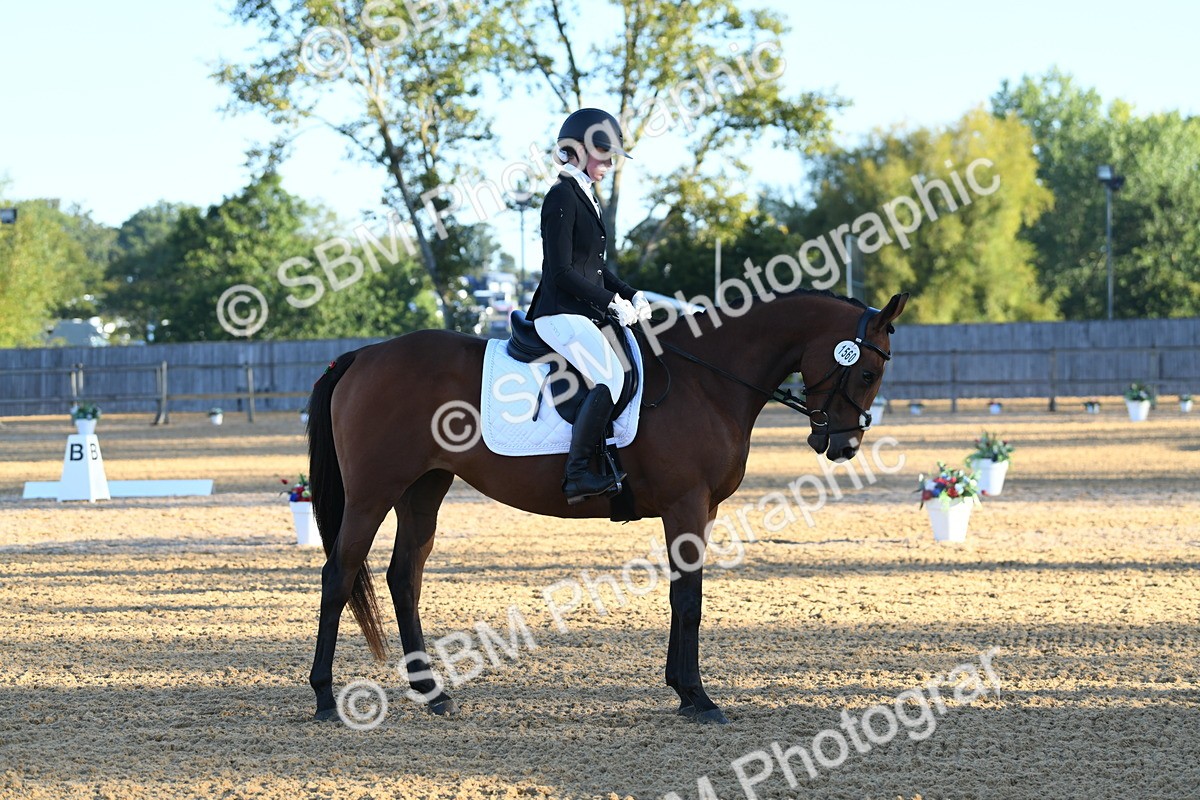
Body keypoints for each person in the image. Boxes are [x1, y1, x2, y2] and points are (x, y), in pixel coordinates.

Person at [526, 108, 651, 504]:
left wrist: (629, 293)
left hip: (581, 311)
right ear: (576, 151)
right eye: (604, 154)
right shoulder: (561, 196)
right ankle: (577, 473)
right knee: (610, 380)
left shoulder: (585, 197)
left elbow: (593, 269)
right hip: (558, 314)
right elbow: (560, 271)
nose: (610, 164)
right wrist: (609, 302)